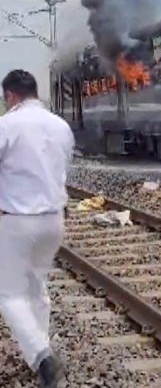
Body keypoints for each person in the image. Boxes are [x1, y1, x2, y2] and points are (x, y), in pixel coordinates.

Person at [0, 70, 74, 387]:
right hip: (54, 220)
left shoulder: (7, 124)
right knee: (36, 285)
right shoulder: (61, 126)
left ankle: (43, 356)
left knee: (9, 293)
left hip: (19, 220)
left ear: (10, 96)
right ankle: (43, 360)